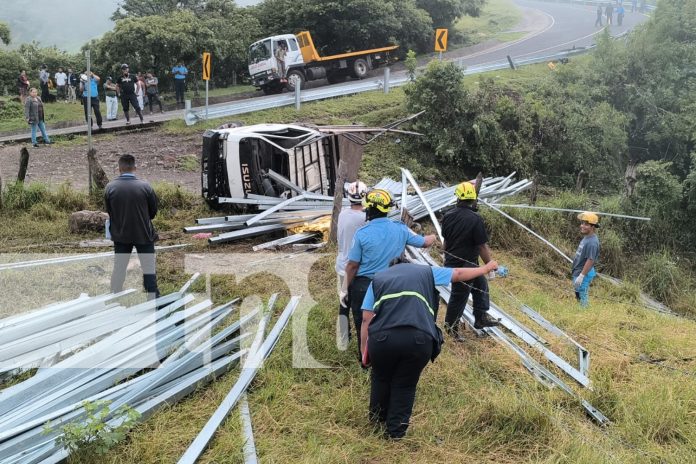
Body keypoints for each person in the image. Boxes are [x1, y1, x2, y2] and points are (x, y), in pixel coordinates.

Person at [360, 260, 499, 439]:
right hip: (419, 338)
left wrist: (365, 350)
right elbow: (457, 274)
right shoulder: (426, 272)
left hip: (383, 338)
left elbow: (366, 318)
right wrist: (485, 268)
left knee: (381, 377)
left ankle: (377, 421)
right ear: (409, 264)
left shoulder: (378, 279)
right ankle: (395, 433)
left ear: (391, 268)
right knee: (405, 384)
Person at [343, 188, 437, 357]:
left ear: (369, 209)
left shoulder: (362, 234)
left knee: (363, 321)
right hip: (392, 285)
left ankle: (365, 357)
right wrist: (434, 237)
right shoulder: (400, 229)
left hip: (364, 286)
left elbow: (352, 266)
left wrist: (345, 287)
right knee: (389, 320)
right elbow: (424, 243)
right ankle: (386, 354)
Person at [442, 181, 501, 341]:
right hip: (466, 265)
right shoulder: (475, 219)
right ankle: (451, 329)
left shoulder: (447, 216)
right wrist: (490, 266)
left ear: (458, 198)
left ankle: (480, 317)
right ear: (473, 199)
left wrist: (445, 256)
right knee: (459, 296)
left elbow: (446, 241)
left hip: (455, 262)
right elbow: (481, 246)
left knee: (481, 286)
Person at [105, 154, 160, 300]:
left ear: (119, 169)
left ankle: (114, 295)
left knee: (119, 267)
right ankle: (152, 298)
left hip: (121, 235)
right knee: (149, 268)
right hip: (144, 234)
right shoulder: (145, 187)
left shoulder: (110, 187)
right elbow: (153, 211)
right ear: (135, 168)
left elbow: (110, 212)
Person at [336, 181, 368, 350]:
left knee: (343, 303)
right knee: (358, 309)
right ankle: (361, 346)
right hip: (356, 269)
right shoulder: (364, 219)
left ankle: (343, 338)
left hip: (341, 265)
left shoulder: (342, 213)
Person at [572, 212, 601, 307]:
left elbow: (590, 260)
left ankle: (584, 313)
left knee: (582, 295)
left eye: (586, 224)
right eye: (582, 223)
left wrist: (581, 276)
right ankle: (580, 310)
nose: (582, 226)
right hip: (579, 270)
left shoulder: (592, 242)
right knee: (578, 294)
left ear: (593, 227)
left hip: (584, 273)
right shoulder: (587, 237)